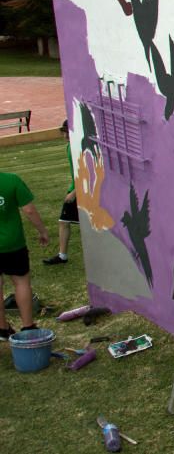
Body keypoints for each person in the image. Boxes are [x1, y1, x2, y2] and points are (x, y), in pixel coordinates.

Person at [0, 171, 51, 340]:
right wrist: (42, 231)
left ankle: (2, 329)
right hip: (12, 244)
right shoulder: (11, 180)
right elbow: (29, 210)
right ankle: (28, 326)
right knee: (21, 282)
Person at [44, 120, 78, 265]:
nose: (63, 135)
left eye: (65, 131)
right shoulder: (70, 147)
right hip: (77, 188)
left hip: (79, 191)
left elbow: (85, 172)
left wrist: (74, 193)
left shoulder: (76, 148)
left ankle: (62, 255)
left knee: (64, 222)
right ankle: (62, 255)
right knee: (64, 222)